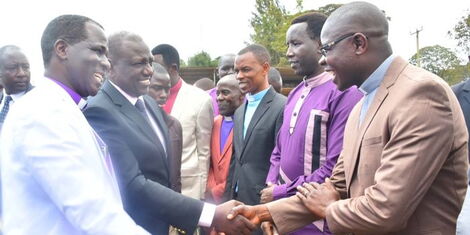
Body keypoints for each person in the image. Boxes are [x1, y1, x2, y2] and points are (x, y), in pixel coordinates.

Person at [228, 2, 468, 235]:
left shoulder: (420, 94)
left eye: (327, 49)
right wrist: (265, 212)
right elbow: (337, 185)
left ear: (358, 43)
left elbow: (385, 209)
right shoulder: (362, 102)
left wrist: (329, 208)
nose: (322, 60)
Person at [84, 32, 253, 235]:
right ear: (110, 66)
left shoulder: (147, 103)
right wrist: (210, 214)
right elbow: (133, 185)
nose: (149, 70)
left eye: (149, 62)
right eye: (139, 64)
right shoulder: (100, 111)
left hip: (161, 224)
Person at [0, 14, 149, 235]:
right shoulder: (42, 112)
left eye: (106, 55)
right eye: (97, 51)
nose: (106, 63)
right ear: (62, 49)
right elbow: (89, 208)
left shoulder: (62, 107)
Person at [260, 12, 362, 235]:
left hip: (318, 220)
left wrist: (279, 194)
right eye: (288, 45)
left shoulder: (344, 93)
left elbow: (336, 168)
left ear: (320, 44)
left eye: (296, 44)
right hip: (285, 214)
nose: (288, 53)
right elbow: (278, 150)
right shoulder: (296, 93)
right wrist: (271, 189)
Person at [224, 44, 286, 234]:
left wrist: (273, 208)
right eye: (237, 71)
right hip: (237, 203)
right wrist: (226, 200)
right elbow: (236, 159)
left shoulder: (282, 106)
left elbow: (281, 159)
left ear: (265, 68)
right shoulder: (240, 110)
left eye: (246, 69)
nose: (239, 76)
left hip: (263, 205)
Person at [152, 44, 213, 202]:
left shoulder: (200, 99)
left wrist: (200, 193)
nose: (150, 70)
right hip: (153, 188)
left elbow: (203, 151)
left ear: (173, 68)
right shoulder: (144, 97)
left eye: (157, 66)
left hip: (188, 188)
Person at [206, 74, 245, 204]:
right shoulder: (214, 123)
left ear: (242, 95)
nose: (219, 98)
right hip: (211, 198)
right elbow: (207, 161)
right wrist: (211, 188)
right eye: (217, 93)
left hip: (236, 197)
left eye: (225, 93)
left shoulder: (247, 125)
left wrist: (220, 190)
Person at [148, 62, 182, 192]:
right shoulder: (130, 123)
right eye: (156, 88)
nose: (163, 95)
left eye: (167, 89)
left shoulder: (174, 125)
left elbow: (176, 177)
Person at [0, 45, 33, 127]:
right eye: (13, 67)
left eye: (26, 67)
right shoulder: (3, 99)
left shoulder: (40, 103)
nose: (22, 73)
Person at [208, 54, 236, 118]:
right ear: (217, 72)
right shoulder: (206, 97)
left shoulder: (250, 97)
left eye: (235, 68)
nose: (231, 72)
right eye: (225, 69)